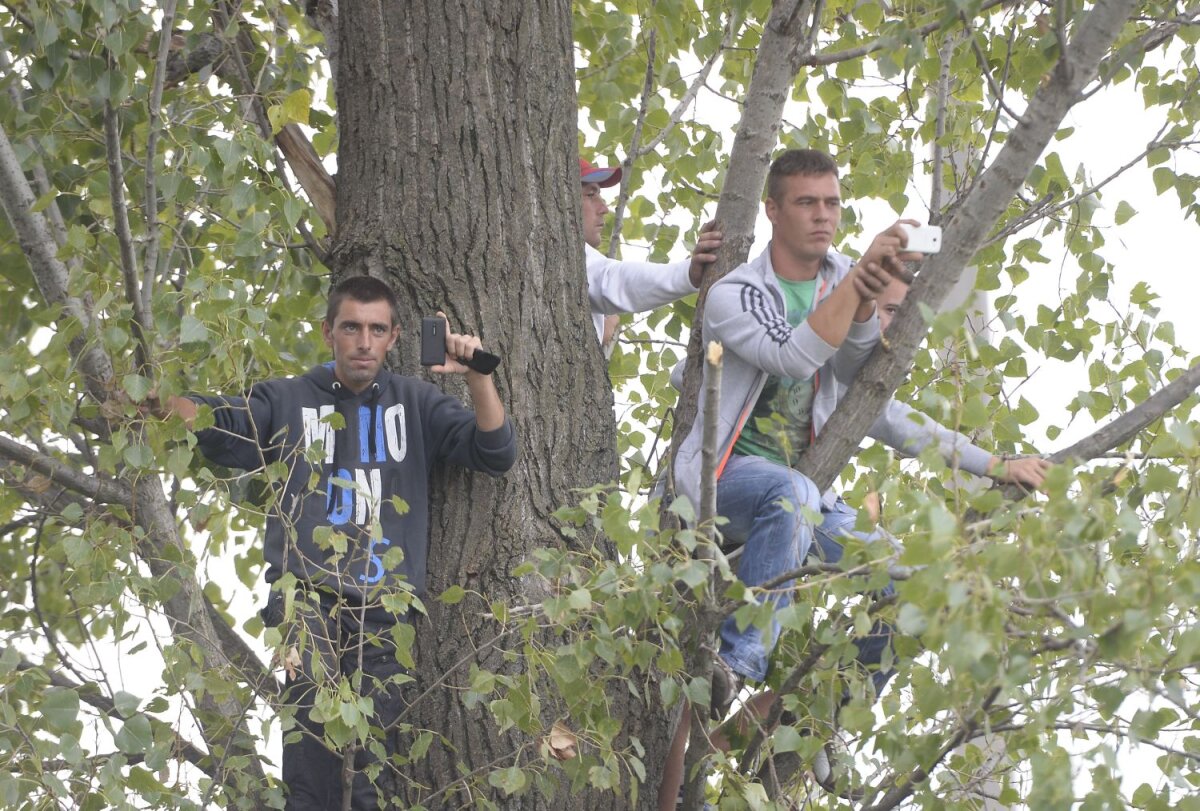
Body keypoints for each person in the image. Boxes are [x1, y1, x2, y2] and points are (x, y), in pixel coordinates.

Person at [659, 149, 1048, 808]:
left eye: (833, 203)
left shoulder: (845, 278)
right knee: (797, 496)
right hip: (724, 484)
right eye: (807, 202)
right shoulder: (735, 295)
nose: (823, 216)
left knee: (923, 586)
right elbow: (792, 355)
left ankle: (817, 712)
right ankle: (736, 665)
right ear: (774, 209)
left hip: (800, 499)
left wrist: (993, 463)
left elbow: (875, 395)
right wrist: (858, 283)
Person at [158, 276, 518, 810]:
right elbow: (218, 421)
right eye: (351, 327)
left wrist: (476, 375)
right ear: (329, 332)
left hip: (387, 611)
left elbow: (496, 453)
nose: (363, 342)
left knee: (378, 777)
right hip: (307, 604)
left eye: (376, 329)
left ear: (394, 337)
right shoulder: (287, 398)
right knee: (311, 772)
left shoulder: (415, 402)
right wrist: (152, 401)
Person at [579, 156, 723, 347]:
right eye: (590, 195)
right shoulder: (568, 257)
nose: (604, 208)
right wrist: (687, 274)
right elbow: (611, 280)